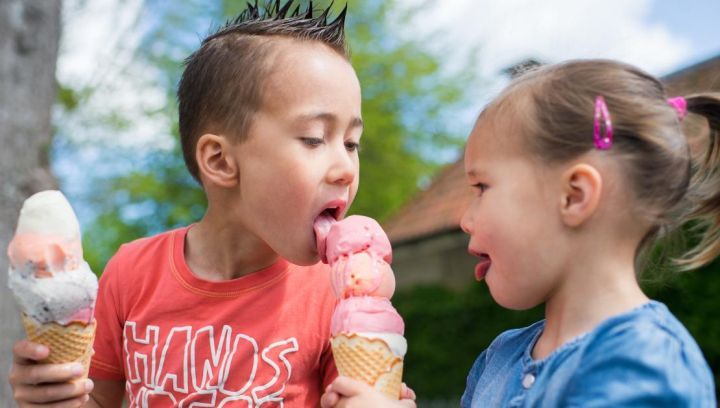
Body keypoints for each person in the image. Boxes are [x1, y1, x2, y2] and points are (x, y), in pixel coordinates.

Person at [10, 1, 364, 406]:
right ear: (220, 161)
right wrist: (53, 395)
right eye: (315, 138)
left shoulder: (338, 295)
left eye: (351, 143)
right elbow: (97, 400)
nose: (346, 168)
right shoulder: (132, 273)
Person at [322, 59, 719, 407]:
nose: (464, 219)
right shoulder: (501, 357)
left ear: (574, 196)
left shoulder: (642, 363)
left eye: (481, 188)